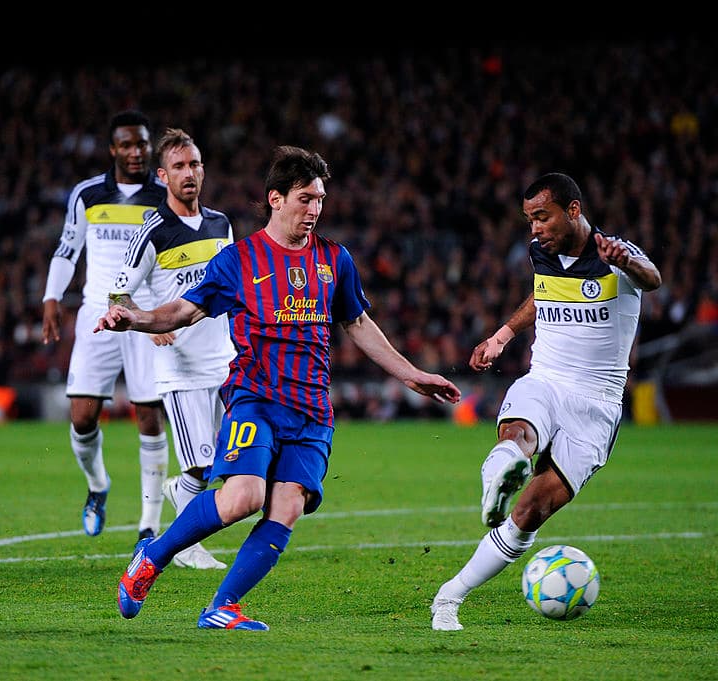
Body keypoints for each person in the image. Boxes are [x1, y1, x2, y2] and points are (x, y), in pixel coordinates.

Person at [96, 145, 461, 630]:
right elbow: (182, 311)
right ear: (275, 199)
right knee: (244, 497)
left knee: (286, 506)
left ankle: (222, 606)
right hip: (256, 398)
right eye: (305, 199)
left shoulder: (335, 260)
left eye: (320, 200)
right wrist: (135, 318)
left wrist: (411, 373)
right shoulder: (239, 260)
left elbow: (357, 322)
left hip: (311, 410)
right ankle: (152, 557)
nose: (314, 210)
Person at [430, 172, 662, 631]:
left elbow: (652, 279)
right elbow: (542, 294)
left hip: (597, 403)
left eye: (542, 216)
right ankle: (501, 472)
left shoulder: (614, 255)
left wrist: (629, 262)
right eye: (529, 218)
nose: (534, 228)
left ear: (572, 210)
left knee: (529, 513)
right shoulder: (544, 253)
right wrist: (501, 335)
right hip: (547, 379)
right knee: (520, 431)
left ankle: (450, 594)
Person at [108, 128, 234, 570]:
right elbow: (119, 296)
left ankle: (179, 496)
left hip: (225, 364)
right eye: (179, 167)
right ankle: (188, 547)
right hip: (180, 369)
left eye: (194, 164)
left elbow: (232, 289)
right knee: (200, 469)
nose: (189, 173)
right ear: (162, 176)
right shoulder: (153, 231)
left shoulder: (222, 225)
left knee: (224, 466)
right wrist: (148, 323)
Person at [42, 110, 170, 542]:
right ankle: (98, 485)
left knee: (149, 415)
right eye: (128, 144)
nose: (137, 152)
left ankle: (149, 524)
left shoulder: (163, 195)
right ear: (113, 149)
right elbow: (67, 250)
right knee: (82, 417)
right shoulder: (89, 194)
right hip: (98, 311)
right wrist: (51, 298)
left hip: (145, 313)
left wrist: (170, 314)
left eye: (143, 144)